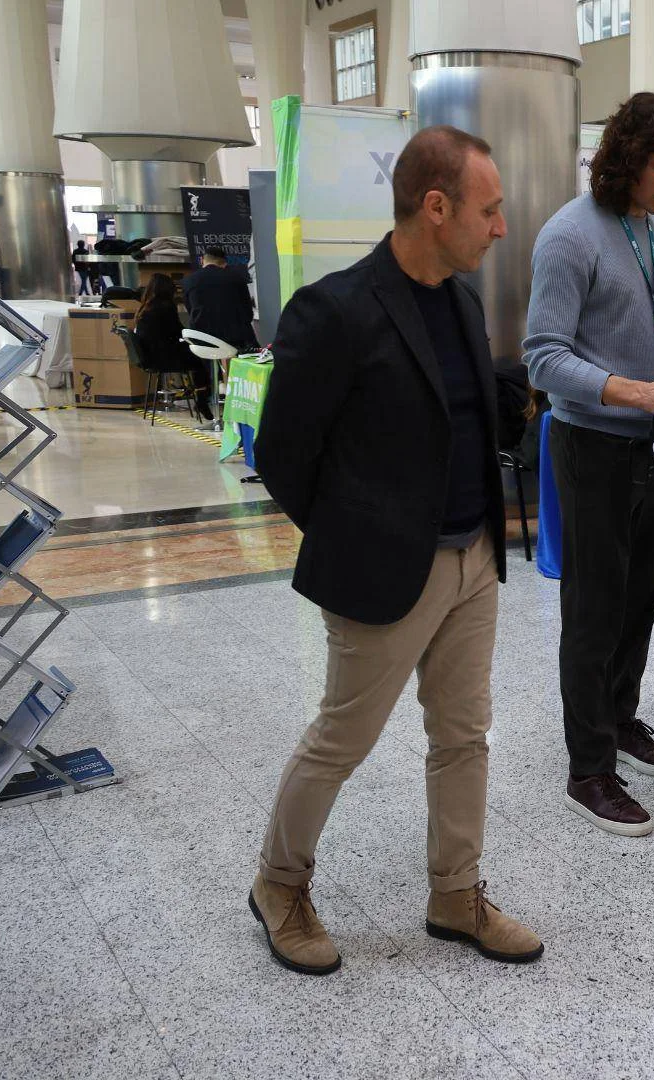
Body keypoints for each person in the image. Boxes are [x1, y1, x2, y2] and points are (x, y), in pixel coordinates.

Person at [250, 125, 543, 973]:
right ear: (435, 206)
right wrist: (358, 538)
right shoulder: (335, 310)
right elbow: (283, 455)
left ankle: (456, 893)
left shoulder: (461, 301)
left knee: (464, 736)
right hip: (385, 571)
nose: (500, 228)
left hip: (473, 558)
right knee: (343, 738)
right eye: (488, 211)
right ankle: (278, 884)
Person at [524, 91, 654, 838]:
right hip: (591, 445)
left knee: (641, 598)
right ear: (625, 158)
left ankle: (621, 718)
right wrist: (638, 392)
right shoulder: (569, 235)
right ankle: (588, 768)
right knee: (594, 610)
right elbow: (542, 357)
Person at [133, 273, 214, 422]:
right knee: (200, 359)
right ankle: (202, 398)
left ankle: (200, 396)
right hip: (164, 357)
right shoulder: (166, 307)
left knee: (194, 356)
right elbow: (178, 331)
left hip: (150, 356)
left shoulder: (145, 307)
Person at [181, 246, 259, 350]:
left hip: (203, 340)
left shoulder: (188, 281)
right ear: (225, 263)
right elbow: (247, 311)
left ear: (201, 260)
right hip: (236, 339)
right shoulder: (236, 278)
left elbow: (190, 309)